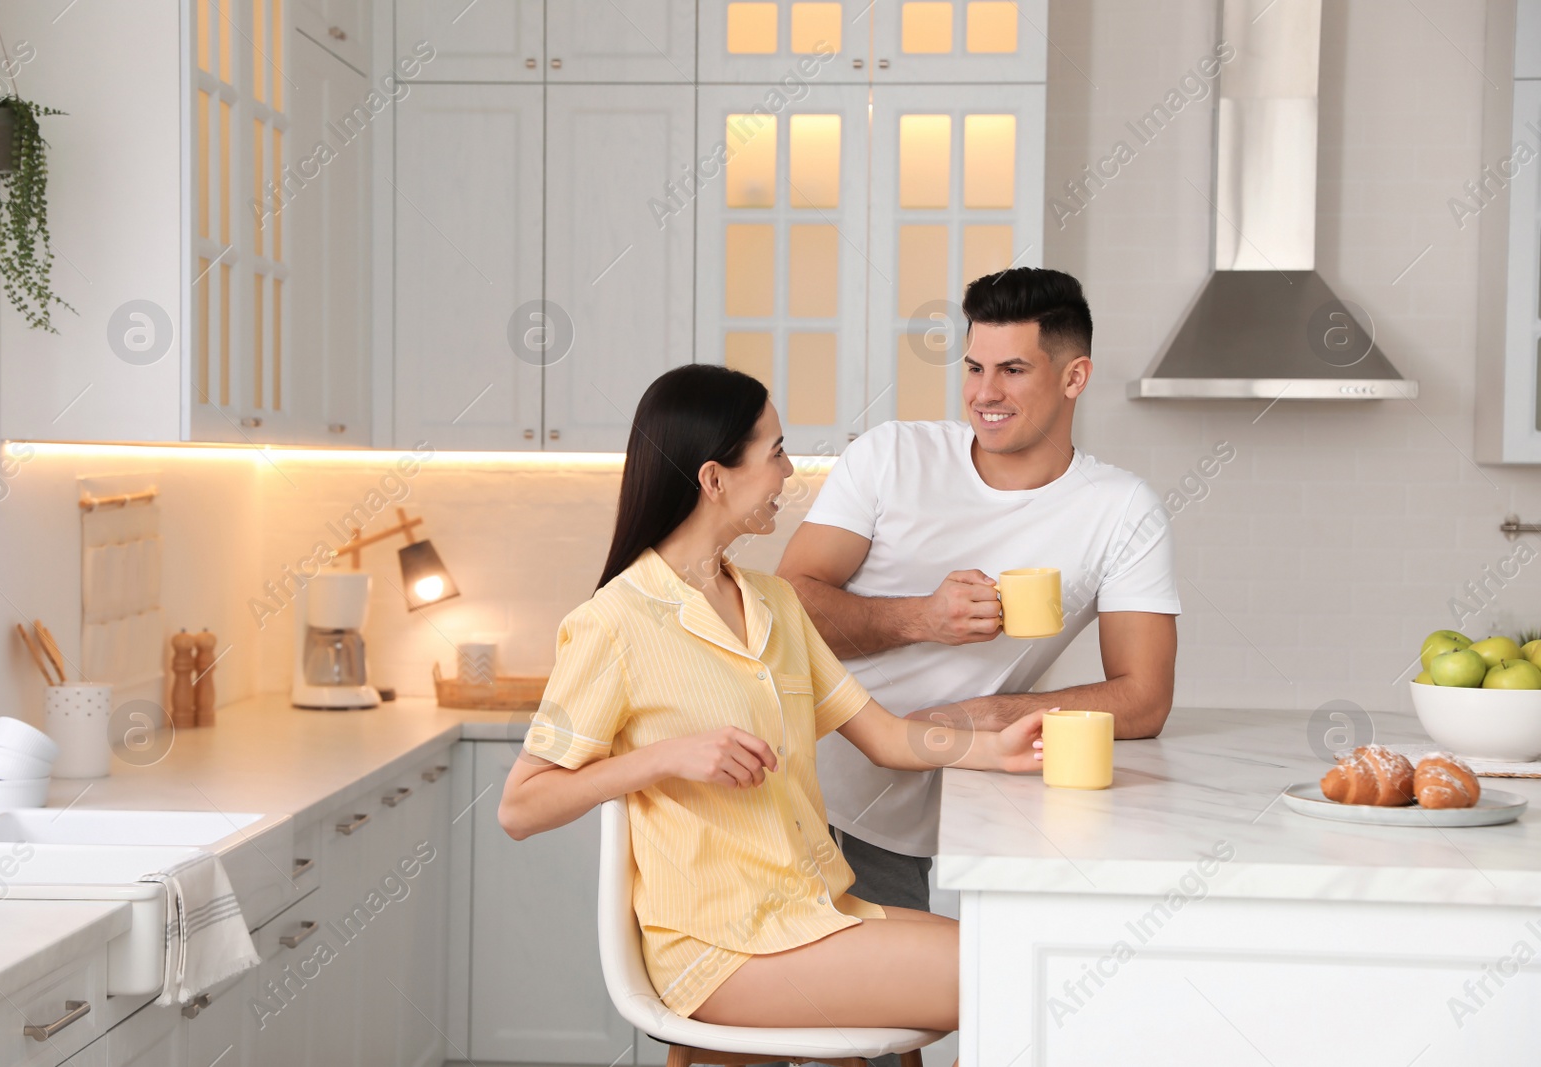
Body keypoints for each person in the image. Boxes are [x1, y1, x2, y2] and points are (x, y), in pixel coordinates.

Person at [498, 363, 1047, 1032]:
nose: (789, 472)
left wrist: (1000, 750)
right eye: (776, 452)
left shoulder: (776, 604)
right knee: (1015, 977)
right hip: (721, 948)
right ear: (714, 477)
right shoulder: (613, 622)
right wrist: (665, 757)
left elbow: (886, 736)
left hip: (815, 909)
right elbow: (520, 807)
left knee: (1035, 962)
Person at [777, 267, 1181, 916]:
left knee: (946, 995)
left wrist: (981, 715)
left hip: (943, 810)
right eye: (973, 367)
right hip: (803, 794)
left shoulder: (1121, 509)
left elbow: (1143, 696)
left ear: (1075, 377)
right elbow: (785, 606)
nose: (984, 393)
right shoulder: (891, 457)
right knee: (893, 1003)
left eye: (1013, 370)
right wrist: (922, 618)